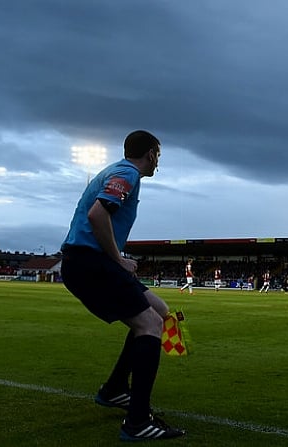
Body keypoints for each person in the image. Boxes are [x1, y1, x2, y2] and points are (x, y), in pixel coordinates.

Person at [60, 130, 185, 441]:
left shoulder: (119, 171)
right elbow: (97, 214)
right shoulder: (126, 174)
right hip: (89, 261)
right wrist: (118, 259)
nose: (159, 161)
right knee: (150, 325)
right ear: (152, 154)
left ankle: (115, 389)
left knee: (161, 310)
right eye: (159, 154)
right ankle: (138, 422)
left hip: (89, 260)